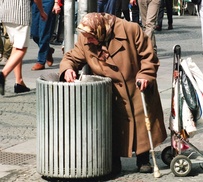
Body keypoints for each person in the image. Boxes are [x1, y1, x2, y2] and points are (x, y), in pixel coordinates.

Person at [59, 12, 167, 175]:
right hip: (110, 91)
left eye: (91, 37)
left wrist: (145, 74)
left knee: (140, 123)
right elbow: (73, 57)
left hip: (135, 85)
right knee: (114, 126)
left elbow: (148, 55)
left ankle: (143, 158)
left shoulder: (130, 29)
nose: (88, 40)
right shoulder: (86, 37)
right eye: (87, 37)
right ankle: (114, 159)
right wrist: (68, 68)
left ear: (100, 31)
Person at [0, 0, 47, 95]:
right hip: (19, 14)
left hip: (5, 12)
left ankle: (19, 81)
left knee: (16, 46)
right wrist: (42, 11)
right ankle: (2, 75)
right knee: (21, 49)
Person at [30, 0, 62, 71]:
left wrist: (56, 3)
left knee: (44, 32)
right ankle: (47, 50)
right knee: (34, 34)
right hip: (35, 3)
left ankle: (41, 61)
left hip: (48, 3)